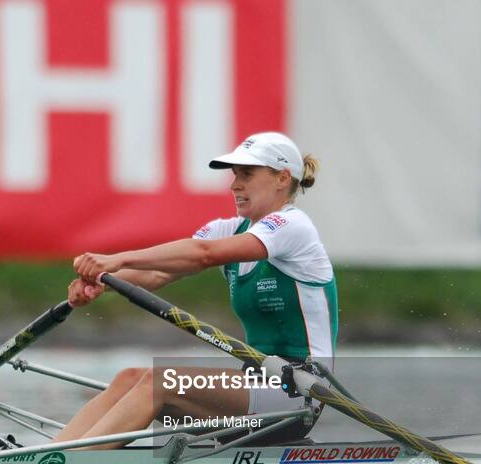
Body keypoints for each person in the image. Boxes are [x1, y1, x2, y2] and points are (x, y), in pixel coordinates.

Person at [53, 132, 338, 448]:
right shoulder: (228, 229)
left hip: (299, 395)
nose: (234, 185)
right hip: (256, 387)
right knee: (129, 379)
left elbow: (204, 253)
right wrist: (102, 282)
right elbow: (159, 273)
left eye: (247, 174)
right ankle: (46, 458)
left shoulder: (294, 227)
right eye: (234, 175)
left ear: (282, 178)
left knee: (158, 383)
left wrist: (117, 258)